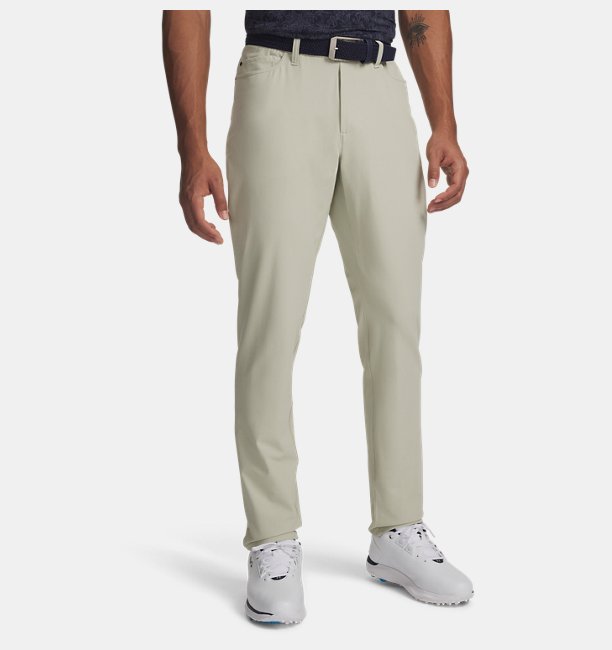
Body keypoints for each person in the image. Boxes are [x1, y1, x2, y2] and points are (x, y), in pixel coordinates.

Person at [163, 9, 472, 624]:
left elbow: (420, 10)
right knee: (271, 325)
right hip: (278, 75)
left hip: (380, 86)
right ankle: (272, 537)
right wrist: (192, 148)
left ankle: (398, 528)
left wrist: (445, 121)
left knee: (395, 325)